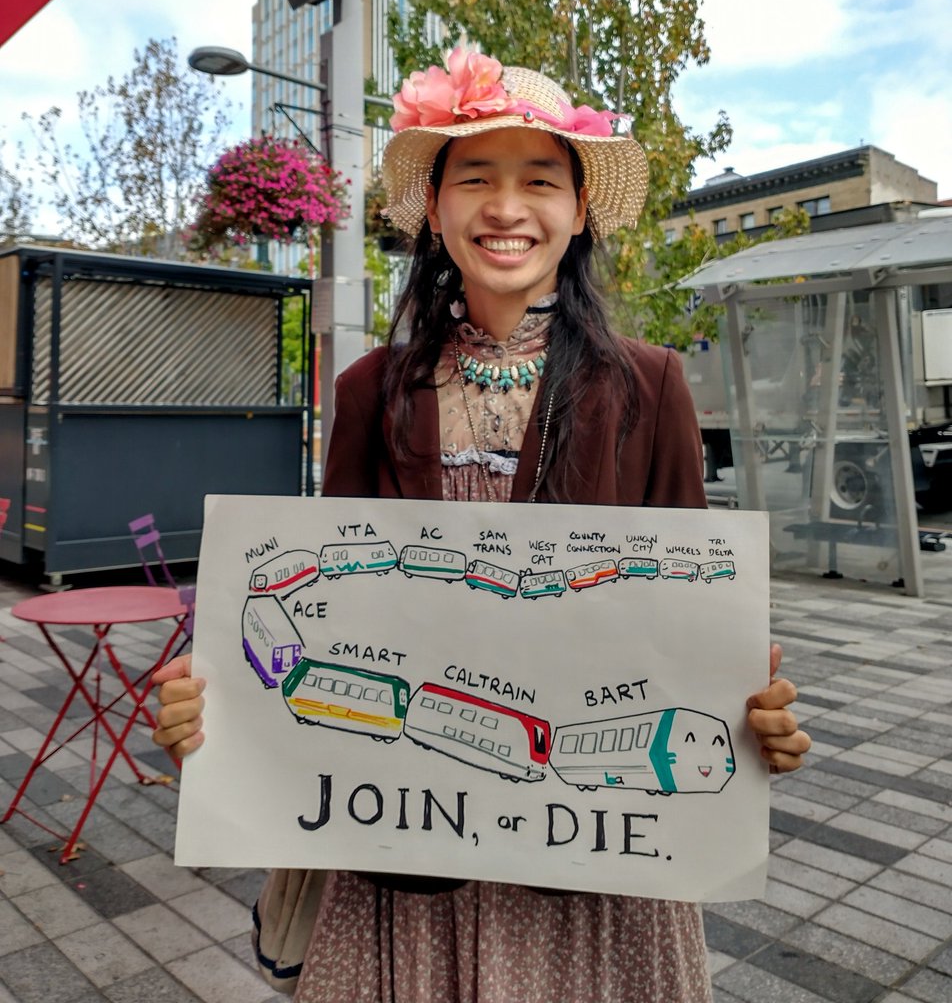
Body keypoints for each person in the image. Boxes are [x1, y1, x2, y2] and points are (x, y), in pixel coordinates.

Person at [153, 49, 811, 1003]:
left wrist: (755, 725)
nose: (507, 207)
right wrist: (220, 714)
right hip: (406, 857)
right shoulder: (370, 390)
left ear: (580, 210)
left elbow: (690, 623)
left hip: (599, 867)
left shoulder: (651, 386)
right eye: (475, 177)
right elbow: (330, 610)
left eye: (540, 179)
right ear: (435, 206)